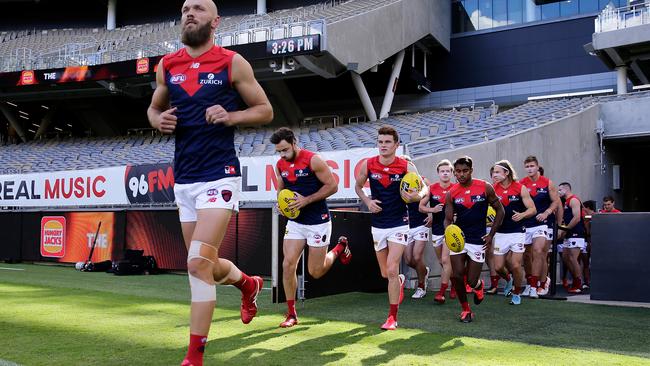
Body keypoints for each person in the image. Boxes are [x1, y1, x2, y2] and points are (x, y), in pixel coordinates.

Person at [147, 1, 273, 364]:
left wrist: (231, 114)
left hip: (220, 175)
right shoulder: (167, 65)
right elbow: (154, 108)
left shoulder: (232, 62)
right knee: (204, 262)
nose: (190, 13)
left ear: (215, 21)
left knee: (197, 264)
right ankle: (248, 284)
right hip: (184, 178)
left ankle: (194, 356)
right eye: (186, 8)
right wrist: (157, 120)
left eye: (199, 9)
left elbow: (265, 110)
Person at [272, 127, 352, 328]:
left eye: (284, 150)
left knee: (315, 271)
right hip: (296, 222)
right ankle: (291, 314)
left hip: (318, 220)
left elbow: (332, 186)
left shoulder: (313, 160)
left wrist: (306, 201)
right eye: (279, 151)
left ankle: (339, 248)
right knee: (288, 264)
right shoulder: (280, 165)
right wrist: (281, 205)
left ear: (293, 142)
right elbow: (281, 190)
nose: (282, 154)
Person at [355, 125, 424, 330]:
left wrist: (416, 196)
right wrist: (367, 202)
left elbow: (423, 188)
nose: (383, 145)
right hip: (378, 224)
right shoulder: (368, 164)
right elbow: (358, 186)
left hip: (399, 223)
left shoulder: (405, 165)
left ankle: (392, 318)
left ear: (396, 145)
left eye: (387, 142)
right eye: (380, 142)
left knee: (392, 268)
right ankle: (399, 280)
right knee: (386, 274)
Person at [444, 156, 504, 323]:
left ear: (471, 170)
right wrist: (448, 233)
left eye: (464, 171)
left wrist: (491, 235)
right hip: (459, 240)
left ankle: (479, 287)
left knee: (471, 280)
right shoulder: (451, 193)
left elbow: (501, 211)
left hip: (478, 240)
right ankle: (466, 309)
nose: (461, 174)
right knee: (456, 276)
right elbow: (447, 219)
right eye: (458, 171)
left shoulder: (485, 187)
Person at [490, 161, 537, 305]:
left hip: (517, 231)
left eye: (497, 172)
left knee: (516, 265)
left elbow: (533, 209)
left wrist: (522, 215)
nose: (494, 175)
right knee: (498, 267)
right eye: (493, 172)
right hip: (500, 232)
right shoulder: (492, 189)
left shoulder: (520, 188)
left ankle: (517, 293)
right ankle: (509, 280)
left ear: (507, 173)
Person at [519, 156, 561, 297]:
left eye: (532, 166)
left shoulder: (548, 183)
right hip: (526, 224)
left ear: (537, 167)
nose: (530, 169)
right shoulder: (521, 184)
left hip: (543, 223)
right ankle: (531, 281)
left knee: (540, 252)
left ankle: (539, 284)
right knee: (526, 255)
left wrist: (547, 213)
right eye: (527, 166)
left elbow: (556, 202)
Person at [419, 159, 454, 303]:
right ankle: (456, 283)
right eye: (442, 171)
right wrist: (432, 210)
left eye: (448, 171)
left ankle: (442, 292)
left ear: (451, 173)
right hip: (437, 229)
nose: (445, 173)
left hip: (451, 229)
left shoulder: (456, 187)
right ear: (438, 173)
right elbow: (421, 206)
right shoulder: (432, 188)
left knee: (446, 260)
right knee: (442, 261)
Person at [401, 155, 431, 300]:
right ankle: (424, 271)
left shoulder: (423, 181)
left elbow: (428, 199)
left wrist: (431, 214)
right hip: (406, 225)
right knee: (408, 260)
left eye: (408, 163)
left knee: (417, 256)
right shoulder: (398, 183)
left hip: (421, 224)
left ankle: (421, 286)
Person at [557, 182, 586, 294]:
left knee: (573, 258)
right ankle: (575, 279)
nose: (558, 192)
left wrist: (566, 229)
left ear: (566, 189)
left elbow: (577, 218)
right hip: (569, 233)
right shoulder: (565, 202)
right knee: (565, 257)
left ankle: (578, 283)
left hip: (576, 233)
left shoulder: (573, 200)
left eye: (560, 190)